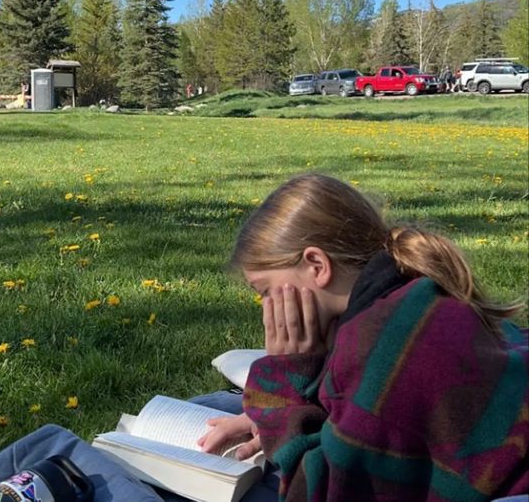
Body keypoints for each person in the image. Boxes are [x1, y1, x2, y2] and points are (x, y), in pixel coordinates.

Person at [199, 173, 528, 502]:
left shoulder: (383, 347)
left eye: (267, 292)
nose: (267, 309)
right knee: (216, 407)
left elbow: (320, 494)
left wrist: (282, 397)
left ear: (316, 265)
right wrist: (262, 418)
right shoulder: (405, 292)